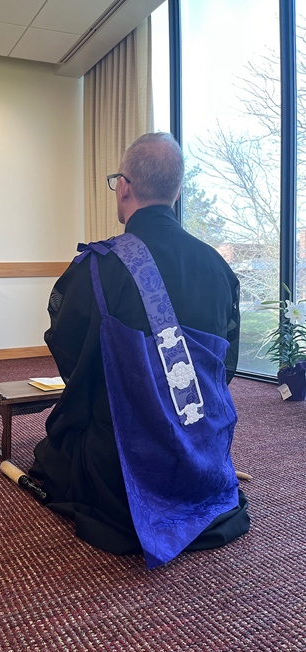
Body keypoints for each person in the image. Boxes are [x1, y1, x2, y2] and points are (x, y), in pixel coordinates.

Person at [29, 132, 250, 568]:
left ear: (124, 186)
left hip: (121, 463)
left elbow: (67, 347)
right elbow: (226, 366)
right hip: (198, 449)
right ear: (178, 190)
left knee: (52, 454)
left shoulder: (97, 265)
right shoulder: (219, 267)